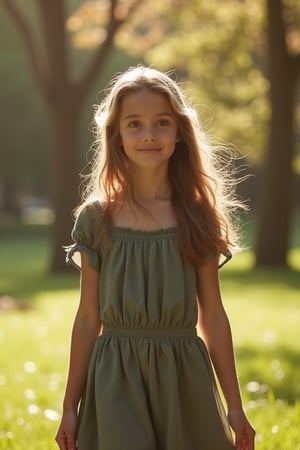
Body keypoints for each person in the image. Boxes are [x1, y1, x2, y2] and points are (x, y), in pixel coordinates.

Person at [55, 65, 255, 450]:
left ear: (179, 132)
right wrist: (69, 405)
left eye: (161, 122)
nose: (149, 134)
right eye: (134, 124)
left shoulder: (198, 216)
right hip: (116, 376)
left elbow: (212, 315)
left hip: (184, 376)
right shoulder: (97, 219)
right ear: (116, 136)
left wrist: (234, 406)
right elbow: (86, 318)